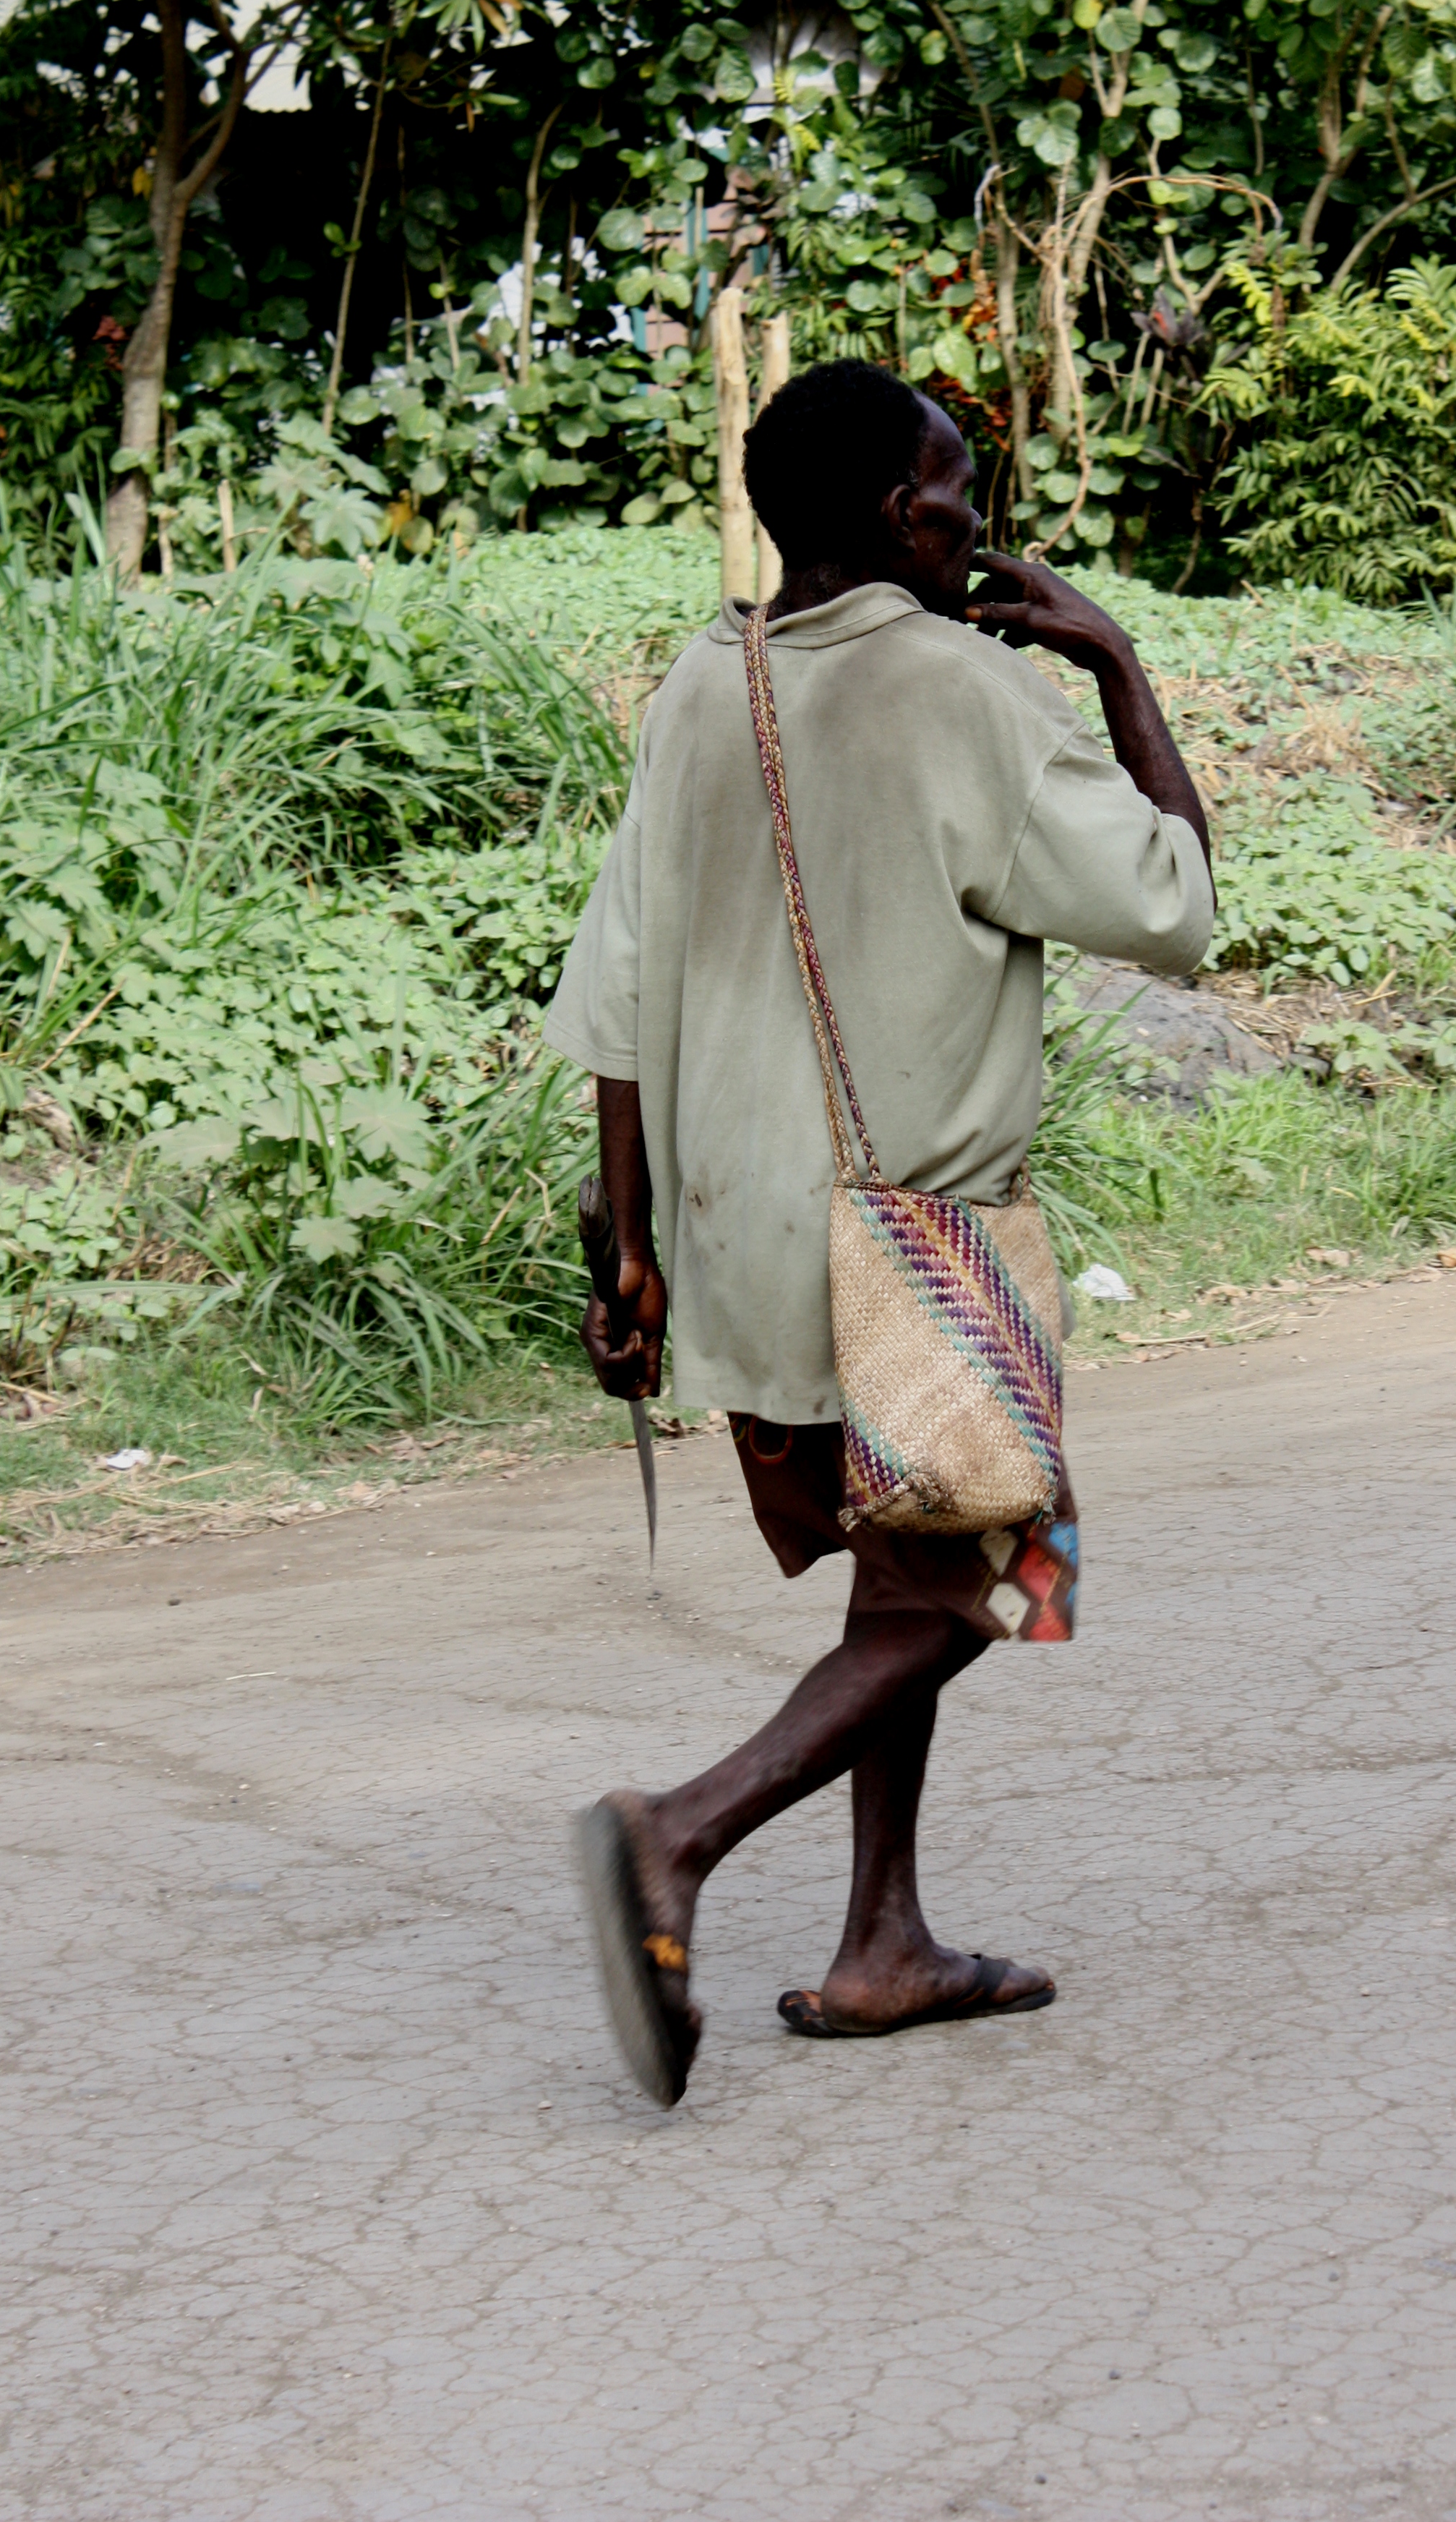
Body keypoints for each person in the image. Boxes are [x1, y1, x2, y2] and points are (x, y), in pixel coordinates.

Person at [541, 356, 1212, 2105]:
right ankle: (678, 1829)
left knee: (892, 1562)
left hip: (734, 1232)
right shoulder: (955, 688)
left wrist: (620, 1242)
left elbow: (615, 994)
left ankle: (882, 1947)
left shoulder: (709, 679)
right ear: (891, 512)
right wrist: (1115, 662)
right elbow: (1170, 900)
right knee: (988, 1562)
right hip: (911, 1238)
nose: (973, 521)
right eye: (953, 491)